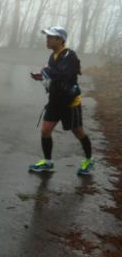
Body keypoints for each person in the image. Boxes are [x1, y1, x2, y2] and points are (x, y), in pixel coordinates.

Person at [29, 26, 94, 175]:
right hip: (55, 101)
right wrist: (41, 76)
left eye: (50, 37)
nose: (47, 39)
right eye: (47, 37)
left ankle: (89, 160)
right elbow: (54, 76)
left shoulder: (69, 55)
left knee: (78, 132)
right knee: (45, 131)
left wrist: (46, 71)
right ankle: (48, 162)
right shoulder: (53, 56)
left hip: (70, 103)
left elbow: (64, 75)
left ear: (60, 39)